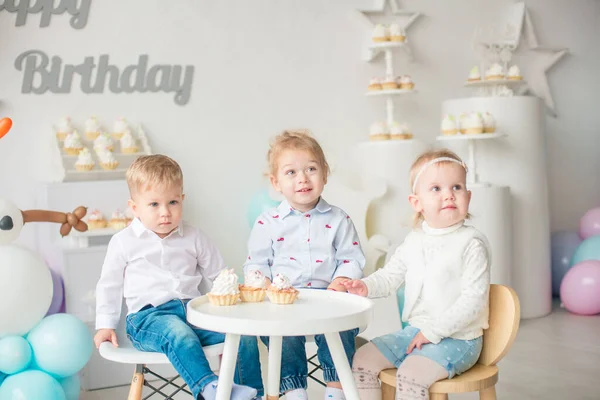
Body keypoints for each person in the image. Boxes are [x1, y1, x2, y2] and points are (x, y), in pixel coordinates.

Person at [93, 154, 257, 400]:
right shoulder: (123, 242)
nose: (165, 213)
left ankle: (251, 394)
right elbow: (110, 285)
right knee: (179, 333)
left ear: (182, 199)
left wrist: (234, 296)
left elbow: (219, 274)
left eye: (172, 202)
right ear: (135, 207)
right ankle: (209, 388)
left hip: (194, 312)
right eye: (154, 205)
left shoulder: (194, 236)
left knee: (242, 334)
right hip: (148, 319)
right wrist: (105, 324)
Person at [343, 149, 491, 400]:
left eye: (456, 187)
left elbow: (473, 301)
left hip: (459, 339)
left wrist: (432, 332)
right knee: (363, 358)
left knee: (411, 373)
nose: (448, 195)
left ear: (468, 196)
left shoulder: (470, 243)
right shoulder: (414, 241)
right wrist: (364, 286)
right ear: (416, 202)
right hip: (417, 332)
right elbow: (389, 276)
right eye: (436, 188)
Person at [236, 130, 366, 400]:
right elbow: (255, 265)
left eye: (311, 169)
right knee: (279, 334)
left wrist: (341, 281)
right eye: (291, 172)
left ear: (325, 174)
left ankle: (335, 389)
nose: (303, 178)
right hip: (285, 302)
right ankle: (294, 390)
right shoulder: (268, 222)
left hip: (329, 299)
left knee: (340, 329)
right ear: (276, 182)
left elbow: (351, 258)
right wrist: (267, 285)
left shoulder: (339, 219)